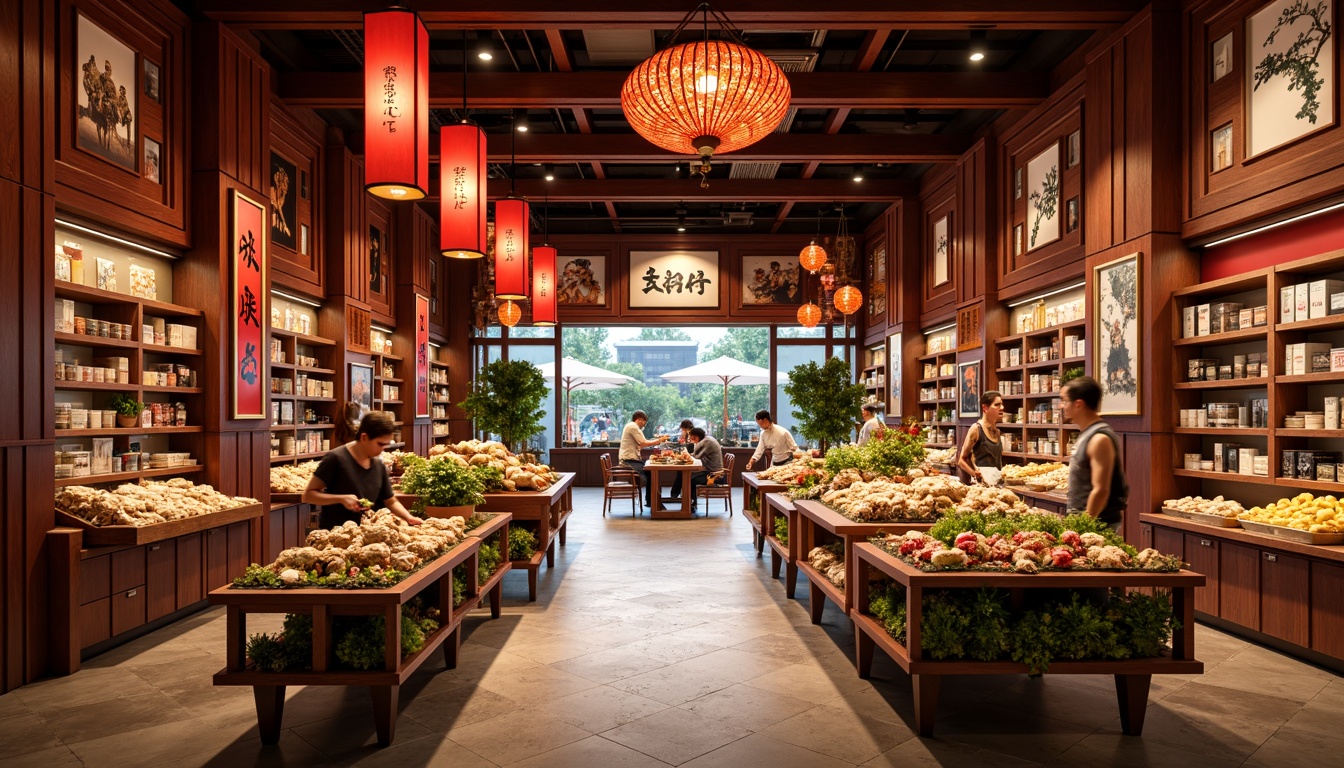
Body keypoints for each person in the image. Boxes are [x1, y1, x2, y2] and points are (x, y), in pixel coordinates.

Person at [302, 411, 422, 531]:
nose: (382, 450)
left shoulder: (378, 465)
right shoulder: (335, 458)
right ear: (364, 437)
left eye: (385, 445)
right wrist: (341, 499)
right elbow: (308, 496)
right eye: (380, 444)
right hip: (336, 538)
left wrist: (409, 518)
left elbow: (390, 501)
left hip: (367, 537)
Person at [1061, 376, 1129, 530]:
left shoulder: (1099, 439)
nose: (1062, 406)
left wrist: (1084, 527)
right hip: (1082, 520)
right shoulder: (1088, 433)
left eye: (1065, 401)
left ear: (1078, 404)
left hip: (1097, 525)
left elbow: (1101, 490)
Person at [620, 410, 670, 506]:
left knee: (651, 471)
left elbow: (644, 442)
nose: (644, 424)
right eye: (644, 421)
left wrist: (658, 440)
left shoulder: (631, 426)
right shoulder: (633, 427)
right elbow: (643, 443)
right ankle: (652, 501)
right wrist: (659, 440)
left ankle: (651, 500)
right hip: (628, 460)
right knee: (651, 472)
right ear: (639, 419)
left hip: (630, 458)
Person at [957, 391, 1005, 484]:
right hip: (982, 485)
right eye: (997, 405)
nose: (1002, 408)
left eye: (1002, 404)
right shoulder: (976, 429)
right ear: (985, 408)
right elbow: (961, 460)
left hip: (998, 484)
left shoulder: (997, 432)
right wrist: (975, 474)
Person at [684, 427, 723, 514]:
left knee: (689, 480)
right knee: (689, 478)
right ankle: (690, 503)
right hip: (710, 471)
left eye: (693, 437)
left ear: (698, 436)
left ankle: (690, 505)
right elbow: (695, 455)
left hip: (715, 475)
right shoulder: (706, 439)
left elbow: (697, 457)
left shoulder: (707, 442)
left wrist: (688, 454)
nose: (692, 439)